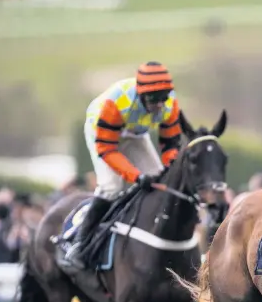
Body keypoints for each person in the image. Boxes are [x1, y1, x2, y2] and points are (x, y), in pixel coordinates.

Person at [64, 61, 183, 269]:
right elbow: (108, 150)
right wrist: (136, 176)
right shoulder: (116, 103)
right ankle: (80, 242)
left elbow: (170, 144)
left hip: (134, 133)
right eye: (154, 99)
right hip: (102, 133)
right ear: (142, 94)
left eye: (163, 97)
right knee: (112, 188)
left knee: (159, 182)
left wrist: (168, 170)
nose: (159, 104)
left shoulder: (170, 105)